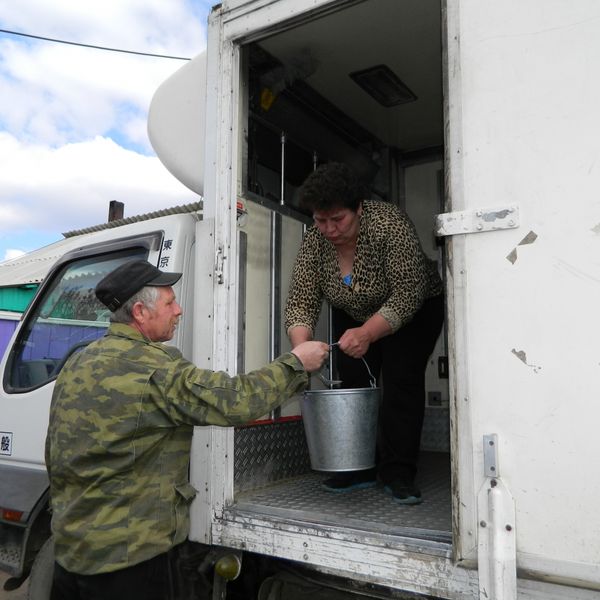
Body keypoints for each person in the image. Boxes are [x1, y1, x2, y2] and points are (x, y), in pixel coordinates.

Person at [45, 259, 329, 600]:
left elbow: (55, 451)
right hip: (131, 563)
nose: (178, 310)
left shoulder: (78, 361)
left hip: (71, 554)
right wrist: (296, 363)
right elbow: (236, 401)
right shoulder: (154, 368)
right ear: (139, 312)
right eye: (169, 302)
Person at [285, 162, 444, 505]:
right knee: (354, 379)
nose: (328, 229)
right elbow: (301, 300)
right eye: (320, 220)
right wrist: (302, 352)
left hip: (413, 309)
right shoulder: (315, 241)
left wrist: (369, 334)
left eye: (337, 219)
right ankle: (358, 466)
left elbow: (408, 293)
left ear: (359, 208)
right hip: (353, 309)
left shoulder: (389, 224)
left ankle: (398, 471)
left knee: (401, 380)